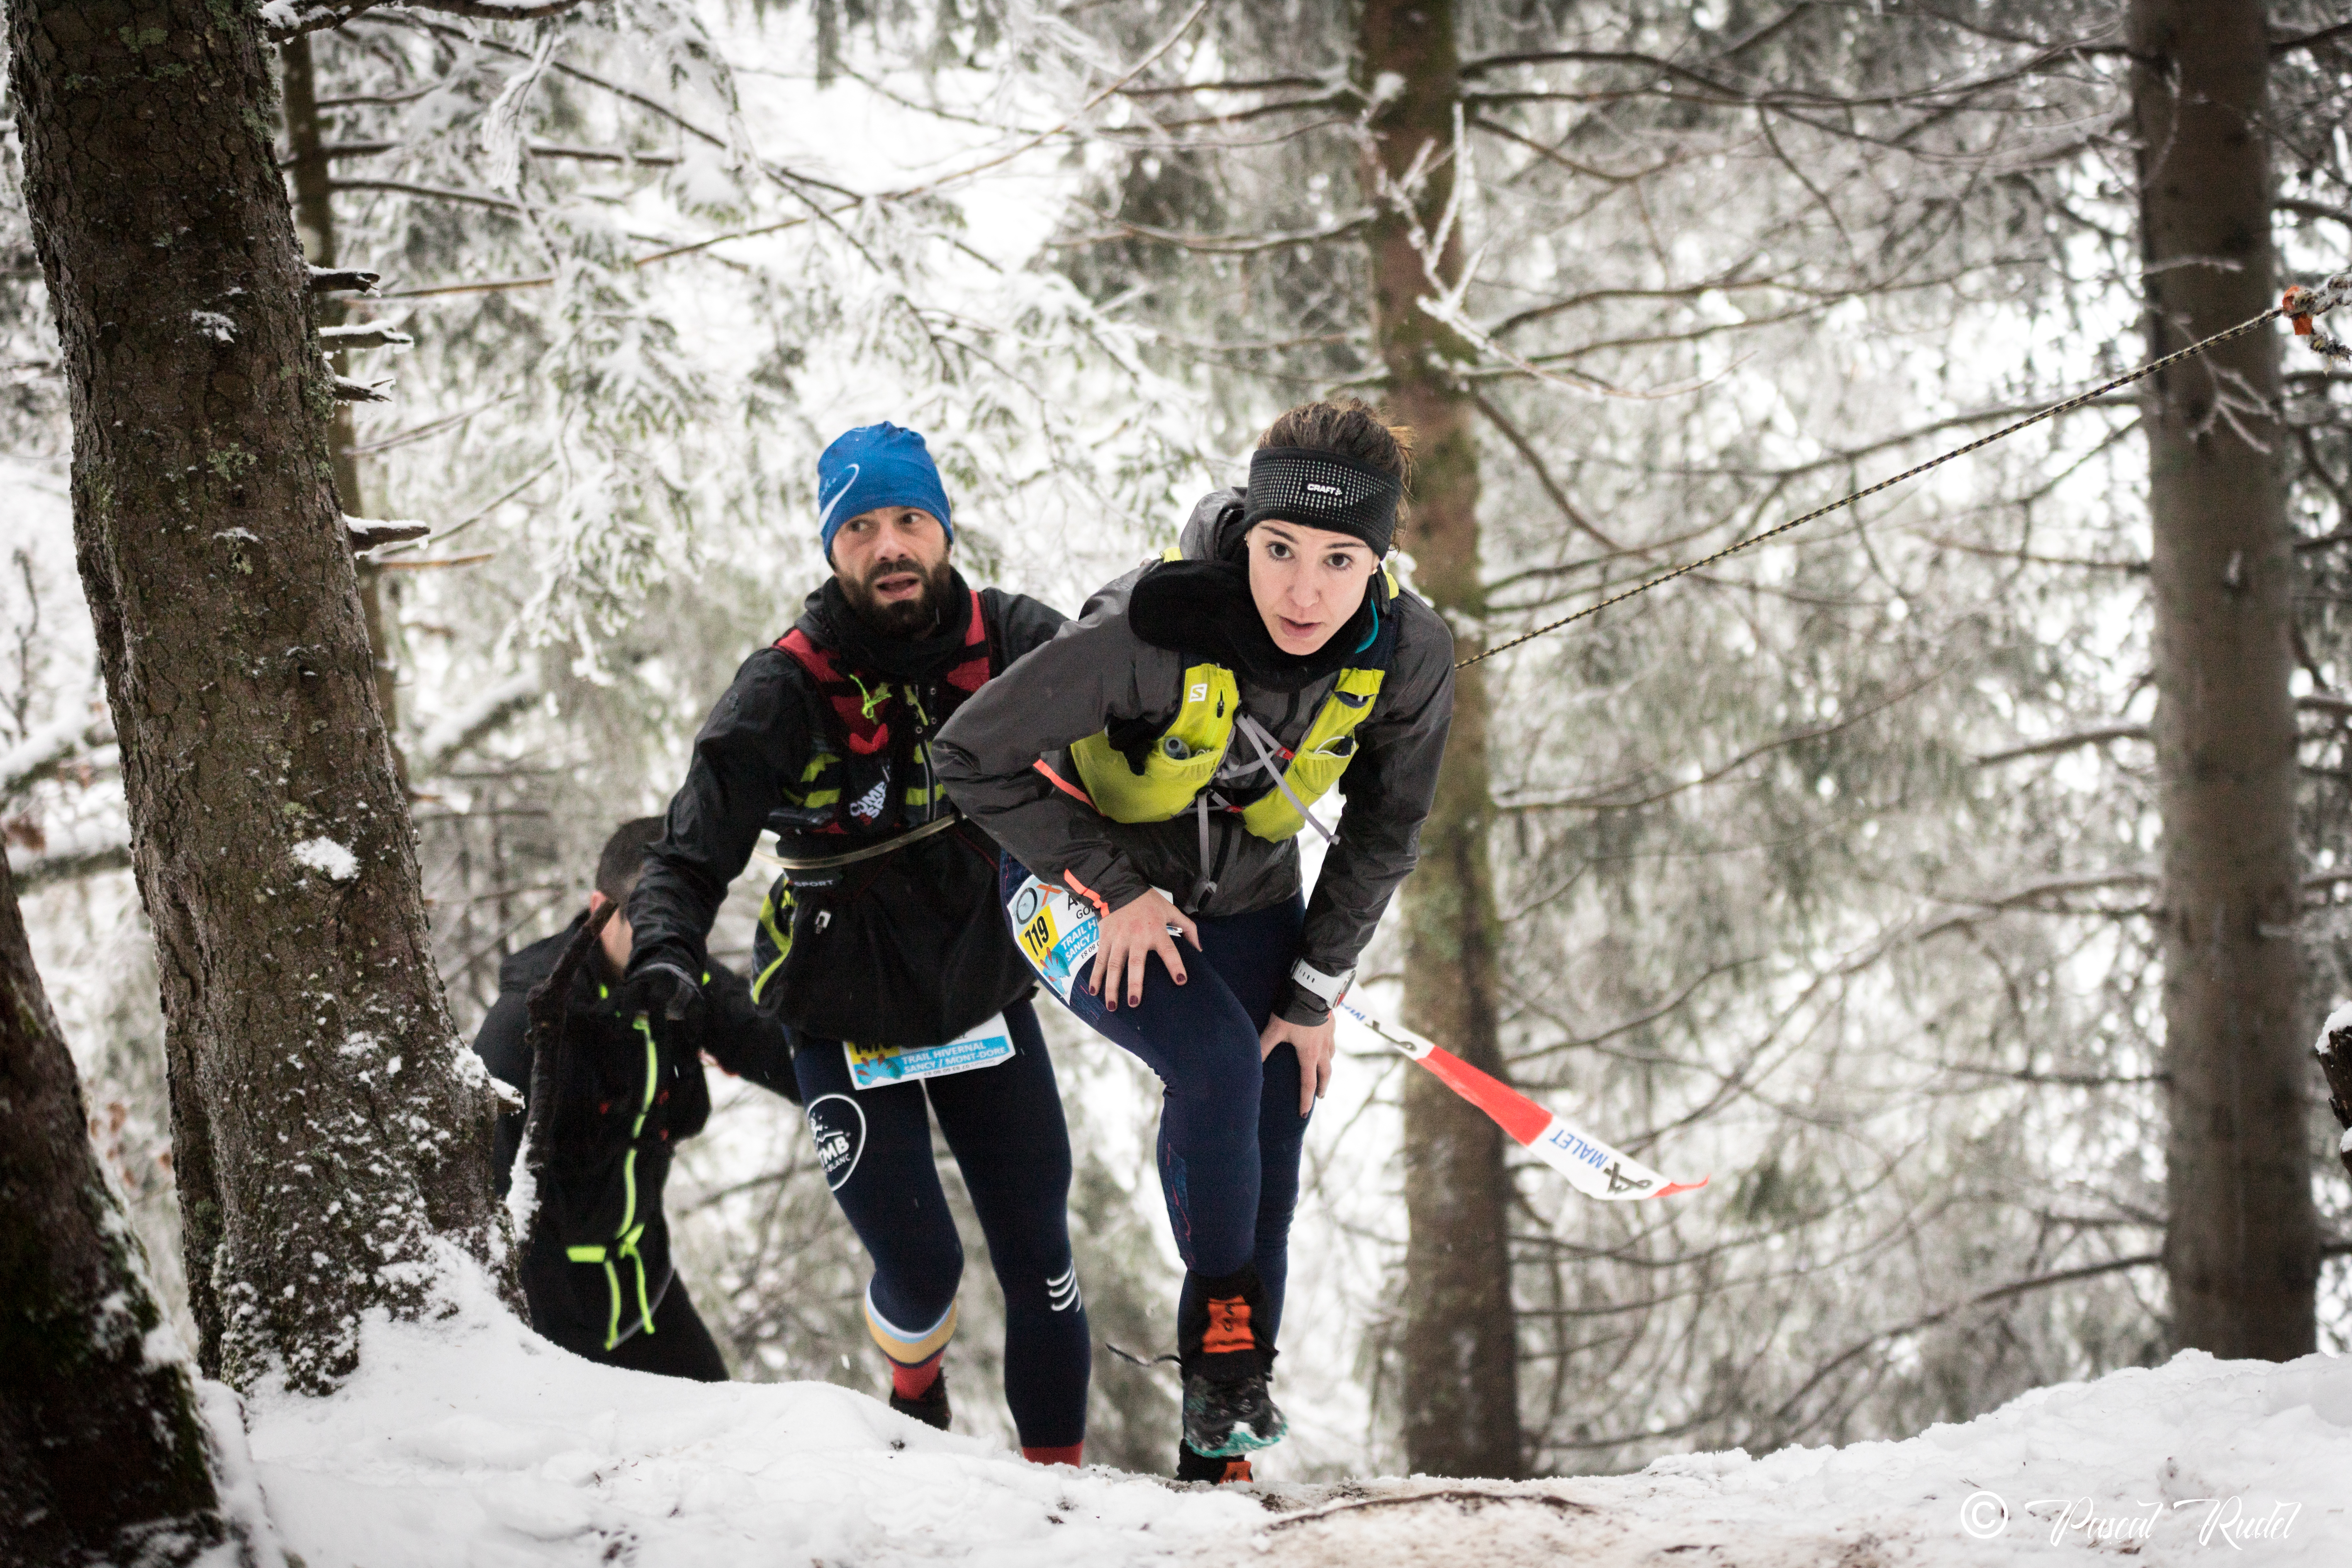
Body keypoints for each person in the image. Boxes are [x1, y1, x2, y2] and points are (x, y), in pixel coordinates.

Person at [933, 398, 1455, 1484]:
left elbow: (1386, 825)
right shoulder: (1149, 625)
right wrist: (1112, 886)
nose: (1301, 588)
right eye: (1277, 550)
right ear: (1248, 534)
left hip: (1248, 898)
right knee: (1216, 1065)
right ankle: (1224, 1351)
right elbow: (968, 756)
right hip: (1079, 891)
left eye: (1336, 558)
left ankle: (1211, 1466)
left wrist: (1310, 997)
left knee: (1270, 1119)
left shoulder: (1406, 653)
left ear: (1378, 560)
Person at [621, 424, 1091, 1463]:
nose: (890, 546)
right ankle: (914, 1384)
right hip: (842, 1011)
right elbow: (691, 849)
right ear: (833, 549)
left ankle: (1067, 1496)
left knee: (1042, 1263)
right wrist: (665, 947)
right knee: (923, 1271)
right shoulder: (783, 686)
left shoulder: (1013, 639)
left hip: (982, 992)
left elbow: (1135, 697)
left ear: (943, 531)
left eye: (909, 521)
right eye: (863, 528)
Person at [472, 816, 798, 1381]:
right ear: (601, 907)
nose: (669, 939)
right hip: (556, 1312)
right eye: (650, 916)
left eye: (686, 916)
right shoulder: (526, 1026)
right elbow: (501, 1209)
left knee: (728, 1437)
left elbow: (788, 1058)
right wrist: (556, 1348)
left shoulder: (683, 981)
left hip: (649, 1293)